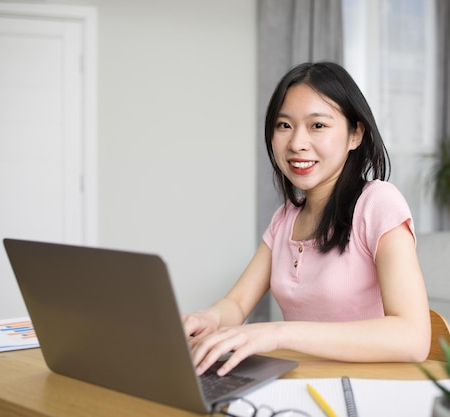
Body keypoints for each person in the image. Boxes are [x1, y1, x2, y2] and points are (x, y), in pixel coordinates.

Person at [182, 61, 430, 377]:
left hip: (367, 390)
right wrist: (210, 318)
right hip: (299, 384)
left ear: (355, 134)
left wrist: (279, 333)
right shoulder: (286, 217)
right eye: (284, 125)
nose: (297, 143)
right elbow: (237, 303)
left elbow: (413, 337)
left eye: (317, 126)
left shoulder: (378, 203)